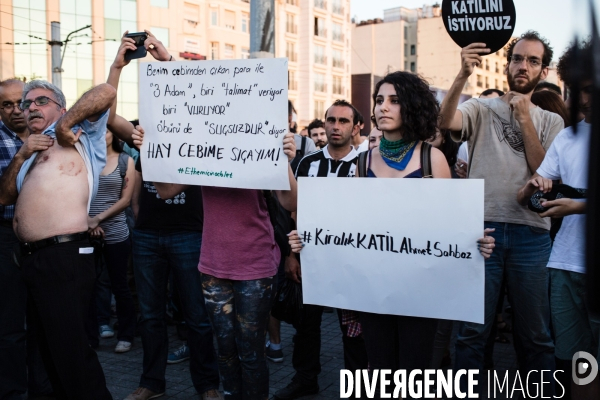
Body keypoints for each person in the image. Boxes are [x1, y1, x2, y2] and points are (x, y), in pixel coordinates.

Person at [439, 31, 564, 394]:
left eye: (533, 61)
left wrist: (524, 118)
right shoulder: (480, 107)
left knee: (536, 336)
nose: (523, 66)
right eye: (517, 58)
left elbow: (546, 174)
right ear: (507, 63)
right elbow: (446, 123)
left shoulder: (550, 121)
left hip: (532, 236)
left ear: (543, 71)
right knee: (471, 333)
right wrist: (462, 74)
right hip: (482, 233)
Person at [106, 31, 222, 400]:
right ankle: (151, 384)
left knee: (197, 317)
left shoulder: (200, 136)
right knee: (150, 316)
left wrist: (169, 60)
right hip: (148, 237)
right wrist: (117, 67)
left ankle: (207, 385)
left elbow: (199, 94)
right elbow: (107, 115)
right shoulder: (141, 136)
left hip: (189, 234)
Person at [0, 79, 116, 399]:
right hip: (31, 259)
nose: (31, 107)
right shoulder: (31, 148)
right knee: (44, 356)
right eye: (27, 104)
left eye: (40, 101)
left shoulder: (80, 134)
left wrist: (65, 123)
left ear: (61, 107)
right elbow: (4, 195)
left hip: (63, 255)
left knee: (71, 352)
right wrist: (22, 154)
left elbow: (106, 91)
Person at [518, 39, 599, 399]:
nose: (582, 99)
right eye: (577, 90)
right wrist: (533, 189)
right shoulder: (567, 137)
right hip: (565, 264)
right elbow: (534, 188)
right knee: (578, 364)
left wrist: (577, 206)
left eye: (590, 89)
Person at [275, 100, 369, 400]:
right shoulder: (307, 162)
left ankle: (357, 385)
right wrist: (292, 255)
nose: (335, 126)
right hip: (311, 258)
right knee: (306, 324)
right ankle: (306, 378)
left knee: (353, 328)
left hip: (350, 262)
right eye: (331, 120)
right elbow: (294, 211)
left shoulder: (367, 165)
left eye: (343, 121)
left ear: (356, 127)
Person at [0, 79, 52, 400]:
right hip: (7, 239)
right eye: (5, 104)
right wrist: (22, 154)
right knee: (10, 327)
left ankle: (42, 391)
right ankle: (13, 393)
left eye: (20, 101)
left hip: (44, 240)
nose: (16, 109)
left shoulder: (50, 137)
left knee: (42, 321)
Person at [86, 128, 137, 354]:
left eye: (106, 130)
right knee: (89, 285)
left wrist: (97, 219)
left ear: (113, 134)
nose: (101, 134)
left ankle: (126, 335)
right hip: (85, 232)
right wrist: (88, 222)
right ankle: (92, 335)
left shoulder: (126, 161)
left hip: (116, 233)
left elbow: (125, 200)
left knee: (120, 285)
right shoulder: (84, 160)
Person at [454, 88, 504, 179]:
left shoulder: (514, 142)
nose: (485, 110)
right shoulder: (465, 147)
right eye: (481, 105)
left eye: (491, 104)